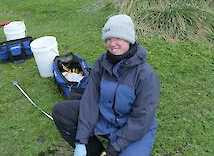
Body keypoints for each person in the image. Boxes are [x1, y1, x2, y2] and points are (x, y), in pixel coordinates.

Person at [52, 14, 160, 156]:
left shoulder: (146, 74)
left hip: (134, 129)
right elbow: (91, 100)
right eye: (108, 39)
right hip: (106, 117)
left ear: (129, 39)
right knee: (62, 111)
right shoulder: (101, 63)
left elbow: (142, 119)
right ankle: (96, 152)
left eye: (118, 38)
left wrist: (115, 148)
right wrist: (81, 141)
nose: (112, 43)